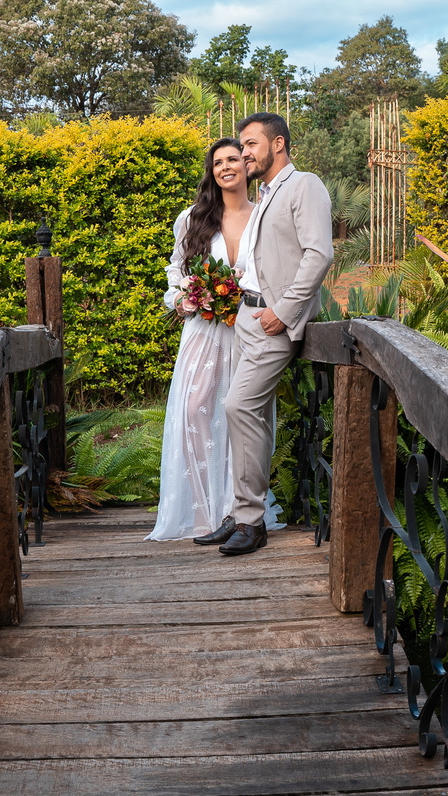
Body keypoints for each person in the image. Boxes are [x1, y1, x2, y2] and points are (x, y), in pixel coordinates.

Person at [194, 112, 333, 556]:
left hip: (272, 321)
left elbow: (319, 253)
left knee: (239, 406)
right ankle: (239, 513)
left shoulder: (304, 184)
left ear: (278, 144)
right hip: (246, 319)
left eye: (251, 144)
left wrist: (286, 311)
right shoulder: (267, 194)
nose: (244, 152)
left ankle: (252, 523)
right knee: (246, 418)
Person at [146, 138, 283, 541]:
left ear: (247, 165)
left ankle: (235, 511)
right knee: (195, 410)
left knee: (239, 416)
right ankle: (204, 510)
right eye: (218, 162)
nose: (226, 167)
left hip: (249, 330)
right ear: (212, 171)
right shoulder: (193, 218)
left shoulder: (264, 216)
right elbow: (176, 269)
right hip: (203, 331)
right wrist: (182, 297)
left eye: (234, 159)